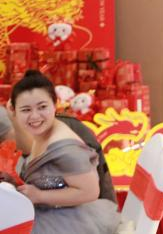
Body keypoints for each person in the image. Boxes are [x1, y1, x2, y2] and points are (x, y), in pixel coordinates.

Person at [6, 70, 119, 234]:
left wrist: (40, 196)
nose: (34, 116)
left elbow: (90, 192)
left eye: (42, 107)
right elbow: (31, 156)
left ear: (55, 104)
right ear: (14, 110)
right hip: (45, 213)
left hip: (65, 223)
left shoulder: (66, 148)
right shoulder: (44, 131)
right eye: (25, 110)